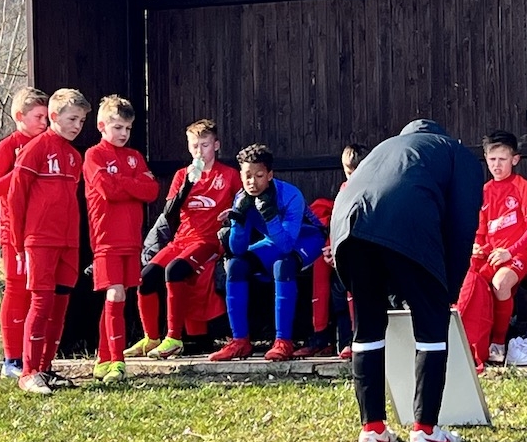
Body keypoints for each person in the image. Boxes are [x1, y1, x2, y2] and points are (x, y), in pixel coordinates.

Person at [330, 119, 482, 442]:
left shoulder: (385, 149)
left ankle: (372, 432)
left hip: (346, 228)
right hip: (408, 226)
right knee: (431, 329)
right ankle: (426, 433)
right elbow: (462, 225)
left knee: (367, 329)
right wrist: (447, 289)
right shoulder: (455, 153)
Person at [125, 119, 241, 360]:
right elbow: (169, 214)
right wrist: (187, 185)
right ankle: (151, 337)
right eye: (194, 146)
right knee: (145, 277)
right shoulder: (181, 175)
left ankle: (174, 337)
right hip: (181, 240)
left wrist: (233, 215)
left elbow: (244, 205)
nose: (199, 152)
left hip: (208, 240)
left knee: (175, 270)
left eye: (205, 145)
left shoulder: (229, 176)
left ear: (216, 145)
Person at [5, 88, 91, 395]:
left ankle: (45, 367)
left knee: (60, 303)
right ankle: (28, 372)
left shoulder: (74, 155)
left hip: (68, 242)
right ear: (54, 117)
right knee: (41, 302)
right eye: (72, 119)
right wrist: (18, 244)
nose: (77, 126)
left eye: (81, 120)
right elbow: (16, 197)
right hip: (40, 240)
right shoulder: (36, 149)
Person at [210, 144, 325, 362]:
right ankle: (240, 341)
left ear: (270, 175)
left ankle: (283, 341)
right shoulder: (242, 197)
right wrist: (238, 220)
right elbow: (238, 249)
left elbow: (287, 246)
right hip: (275, 240)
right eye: (247, 176)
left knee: (283, 265)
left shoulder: (290, 195)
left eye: (259, 176)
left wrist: (270, 216)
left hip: (308, 239)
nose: (252, 182)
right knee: (235, 265)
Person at [83, 95, 159, 384]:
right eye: (117, 127)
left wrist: (125, 182)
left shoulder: (134, 156)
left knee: (117, 298)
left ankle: (103, 358)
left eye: (127, 128)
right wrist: (133, 183)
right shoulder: (94, 156)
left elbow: (151, 191)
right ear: (102, 126)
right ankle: (117, 361)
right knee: (116, 295)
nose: (123, 133)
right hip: (106, 238)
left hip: (131, 238)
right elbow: (108, 190)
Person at [456, 130, 527, 371]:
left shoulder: (522, 187)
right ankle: (473, 345)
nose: (497, 165)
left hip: (521, 253)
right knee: (470, 282)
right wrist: (476, 246)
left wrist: (511, 251)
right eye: (492, 159)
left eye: (502, 159)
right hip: (493, 255)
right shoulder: (484, 191)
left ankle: (498, 344)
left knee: (500, 283)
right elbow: (481, 231)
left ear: (514, 159)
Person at [0, 86, 49, 379]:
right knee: (16, 290)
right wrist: (21, 169)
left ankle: (33, 356)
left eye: (46, 117)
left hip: (41, 231)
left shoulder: (47, 144)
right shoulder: (7, 147)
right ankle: (11, 359)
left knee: (38, 293)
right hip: (14, 230)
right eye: (38, 117)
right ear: (20, 116)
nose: (44, 123)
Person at [299, 141, 370, 359]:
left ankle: (354, 338)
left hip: (362, 251)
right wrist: (332, 248)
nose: (353, 177)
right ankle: (320, 335)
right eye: (349, 172)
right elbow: (337, 223)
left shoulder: (372, 190)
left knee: (346, 281)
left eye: (358, 172)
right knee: (321, 265)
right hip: (340, 248)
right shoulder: (344, 191)